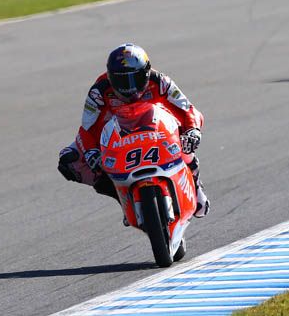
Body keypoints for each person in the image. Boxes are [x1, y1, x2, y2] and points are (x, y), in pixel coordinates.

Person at [57, 43, 210, 221]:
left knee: (186, 133)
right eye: (121, 81)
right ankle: (124, 199)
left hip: (156, 125)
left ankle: (195, 183)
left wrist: (193, 130)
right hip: (116, 130)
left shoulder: (160, 81)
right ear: (110, 76)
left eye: (135, 78)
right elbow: (87, 128)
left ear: (146, 72)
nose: (129, 88)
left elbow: (187, 109)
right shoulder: (99, 91)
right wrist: (91, 152)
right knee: (69, 160)